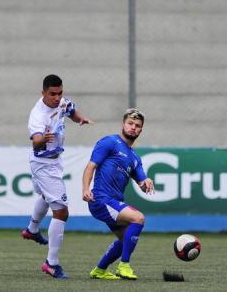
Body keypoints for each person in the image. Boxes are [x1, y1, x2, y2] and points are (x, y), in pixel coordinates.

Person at [21, 74, 93, 280]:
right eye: (52, 94)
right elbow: (35, 142)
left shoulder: (62, 102)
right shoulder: (37, 115)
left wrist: (80, 119)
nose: (57, 97)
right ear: (43, 93)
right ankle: (51, 263)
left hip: (52, 161)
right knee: (61, 212)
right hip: (44, 164)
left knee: (46, 197)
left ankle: (32, 229)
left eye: (60, 93)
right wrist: (42, 139)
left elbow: (70, 110)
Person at [81, 108, 154, 280]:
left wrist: (147, 182)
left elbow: (142, 183)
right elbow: (90, 166)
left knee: (126, 239)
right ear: (123, 124)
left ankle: (100, 270)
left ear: (141, 130)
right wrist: (85, 189)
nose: (133, 128)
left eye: (137, 126)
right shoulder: (109, 142)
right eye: (130, 123)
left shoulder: (135, 158)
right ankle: (124, 266)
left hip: (113, 201)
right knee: (139, 218)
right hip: (101, 199)